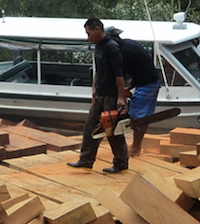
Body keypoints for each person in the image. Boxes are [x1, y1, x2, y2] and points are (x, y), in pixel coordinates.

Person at [67, 17, 129, 173]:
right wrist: (94, 88)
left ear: (97, 29)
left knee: (112, 130)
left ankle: (121, 163)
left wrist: (120, 96)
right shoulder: (98, 46)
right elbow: (98, 70)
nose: (88, 37)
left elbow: (119, 74)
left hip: (111, 95)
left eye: (89, 33)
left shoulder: (112, 47)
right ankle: (86, 160)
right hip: (100, 93)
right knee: (90, 126)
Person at [105, 26, 161, 157]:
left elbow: (118, 75)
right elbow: (140, 64)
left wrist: (120, 95)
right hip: (149, 80)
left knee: (139, 117)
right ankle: (137, 145)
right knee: (142, 116)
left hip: (148, 83)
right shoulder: (128, 43)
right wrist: (134, 81)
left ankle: (136, 148)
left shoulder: (119, 51)